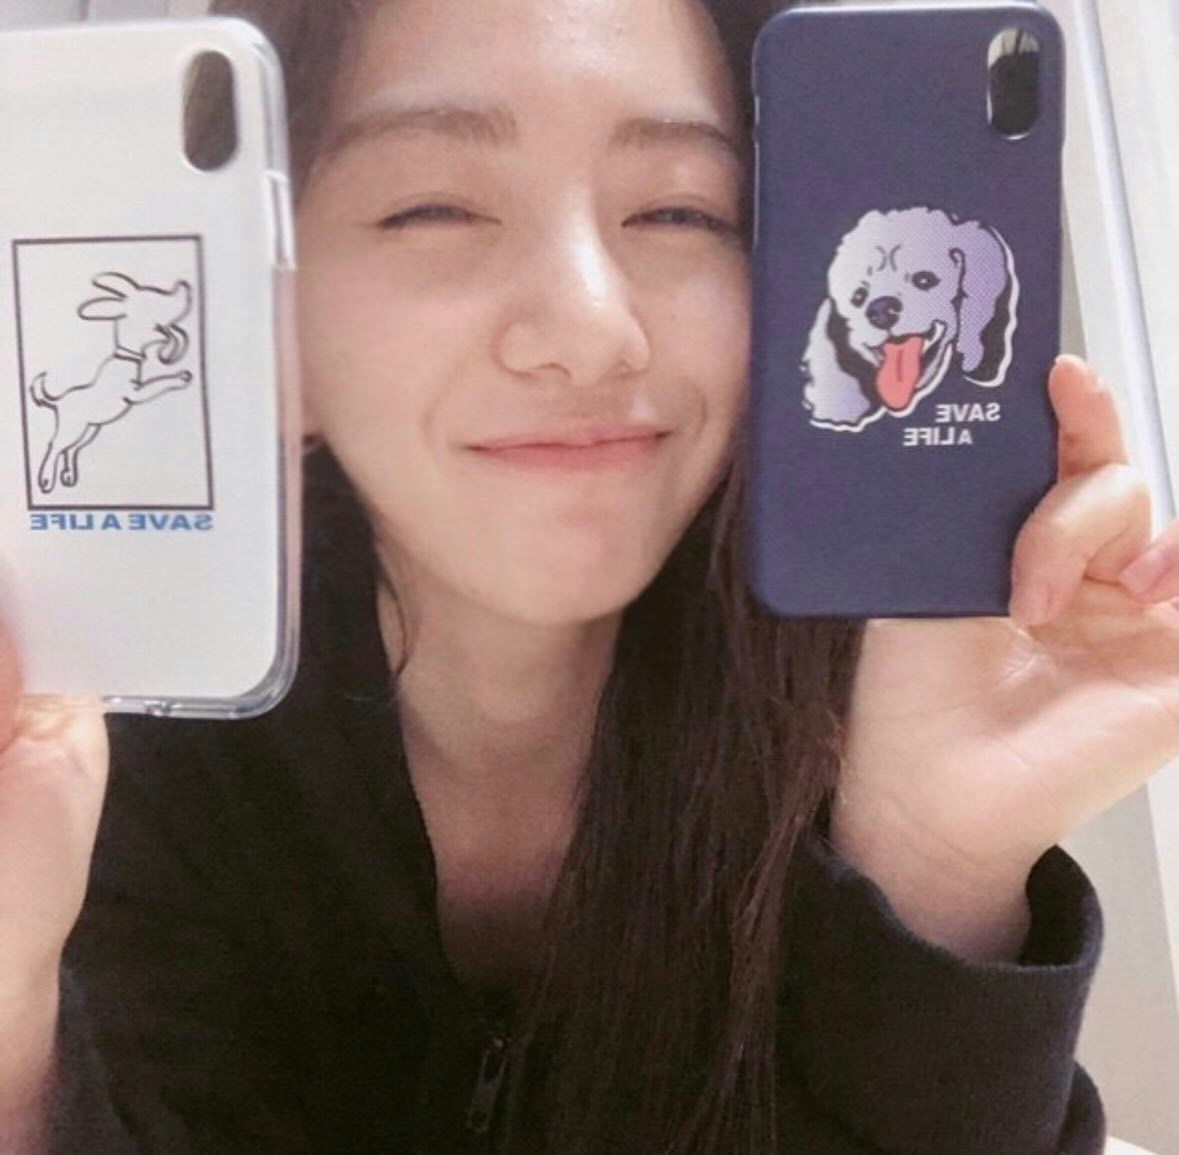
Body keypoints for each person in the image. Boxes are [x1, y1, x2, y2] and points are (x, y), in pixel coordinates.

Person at [1, 0, 1176, 1152]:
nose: (590, 330)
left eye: (678, 210)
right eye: (434, 208)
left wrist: (938, 870)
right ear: (267, 320)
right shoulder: (105, 752)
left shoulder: (878, 704)